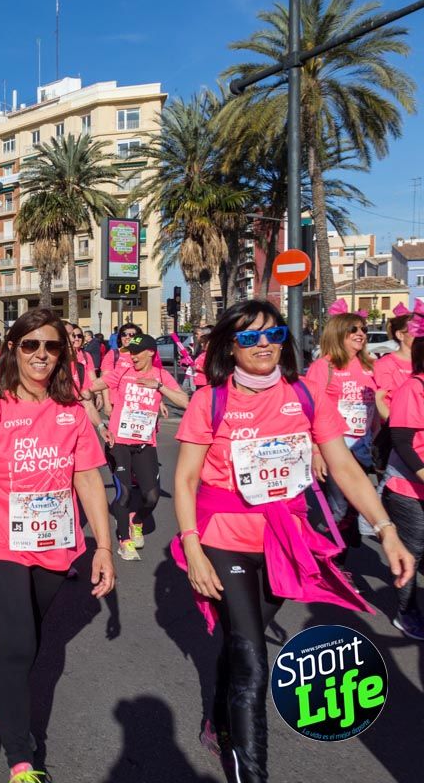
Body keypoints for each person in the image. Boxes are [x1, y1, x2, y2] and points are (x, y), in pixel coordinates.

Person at [170, 299, 413, 782]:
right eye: (248, 337)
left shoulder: (303, 395)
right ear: (230, 346)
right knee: (253, 660)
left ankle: (218, 718)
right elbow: (185, 479)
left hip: (285, 538)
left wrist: (387, 531)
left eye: (272, 334)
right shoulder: (210, 399)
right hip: (223, 535)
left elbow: (343, 466)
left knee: (241, 645)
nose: (262, 344)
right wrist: (192, 546)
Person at [0, 308, 116, 782]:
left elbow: (87, 478)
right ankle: (21, 756)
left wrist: (103, 546)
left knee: (30, 637)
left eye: (51, 346)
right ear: (12, 351)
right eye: (30, 345)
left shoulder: (71, 413)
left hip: (53, 544)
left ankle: (6, 707)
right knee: (21, 639)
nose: (41, 354)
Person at [82, 334, 188, 561]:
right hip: (118, 441)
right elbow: (95, 386)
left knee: (152, 495)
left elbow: (185, 401)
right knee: (125, 493)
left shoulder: (161, 375)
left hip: (144, 443)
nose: (133, 356)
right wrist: (87, 393)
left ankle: (137, 521)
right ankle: (124, 541)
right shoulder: (123, 372)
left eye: (137, 352)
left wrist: (159, 388)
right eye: (130, 352)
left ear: (151, 352)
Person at [305, 301, 378, 543]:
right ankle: (319, 555)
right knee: (338, 509)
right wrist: (316, 451)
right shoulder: (323, 367)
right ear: (339, 333)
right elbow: (310, 412)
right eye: (354, 330)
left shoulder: (370, 365)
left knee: (352, 509)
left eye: (363, 330)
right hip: (335, 447)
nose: (361, 334)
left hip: (363, 448)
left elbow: (375, 408)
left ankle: (336, 560)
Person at [383, 320, 424, 640]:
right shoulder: (414, 387)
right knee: (411, 551)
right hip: (407, 487)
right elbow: (402, 440)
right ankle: (406, 613)